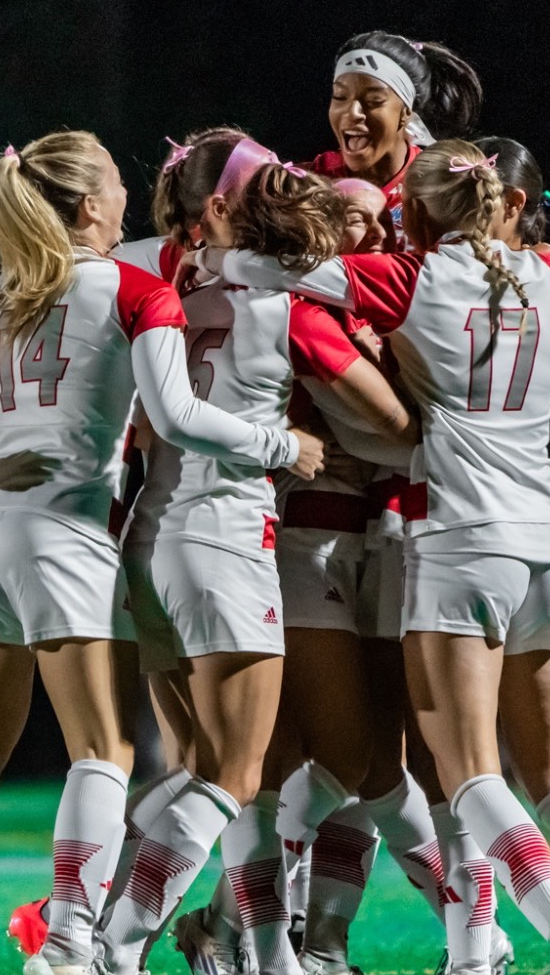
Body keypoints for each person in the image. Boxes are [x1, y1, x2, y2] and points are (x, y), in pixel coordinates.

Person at [206, 139, 550, 975]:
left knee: (473, 777)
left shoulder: (410, 280)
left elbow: (270, 279)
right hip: (548, 545)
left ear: (411, 214)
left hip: (460, 541)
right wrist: (525, 249)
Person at [0, 131, 324, 975]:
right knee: (103, 750)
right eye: (112, 179)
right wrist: (281, 446)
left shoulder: (1, 293)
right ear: (91, 204)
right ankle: (67, 946)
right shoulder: (132, 288)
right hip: (61, 526)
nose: (132, 192)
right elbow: (176, 418)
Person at [125, 139, 420, 975]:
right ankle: (102, 939)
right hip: (237, 535)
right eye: (269, 182)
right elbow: (398, 427)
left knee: (215, 771)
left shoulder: (151, 278)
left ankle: (248, 949)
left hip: (148, 531)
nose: (290, 188)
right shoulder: (288, 298)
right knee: (246, 774)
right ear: (217, 207)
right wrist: (288, 441)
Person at [312, 32, 483, 250]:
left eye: (374, 101)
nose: (352, 112)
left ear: (406, 112)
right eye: (340, 97)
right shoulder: (316, 181)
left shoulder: (440, 186)